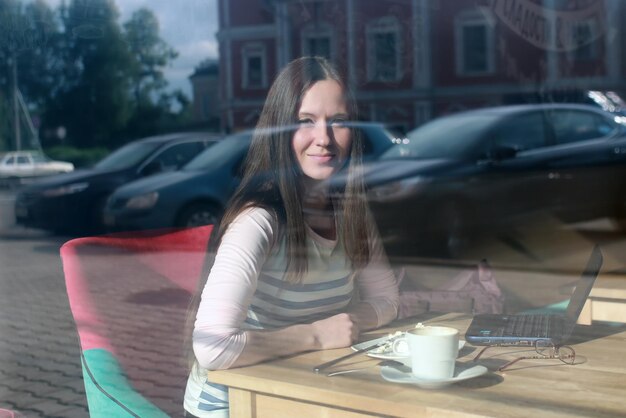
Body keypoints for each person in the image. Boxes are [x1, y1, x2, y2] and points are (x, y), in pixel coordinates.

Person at [183, 56, 399, 417]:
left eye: (339, 122)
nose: (324, 138)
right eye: (305, 122)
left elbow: (388, 301)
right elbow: (212, 346)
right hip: (235, 407)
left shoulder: (352, 214)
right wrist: (317, 335)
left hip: (308, 397)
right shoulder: (259, 220)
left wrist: (349, 324)